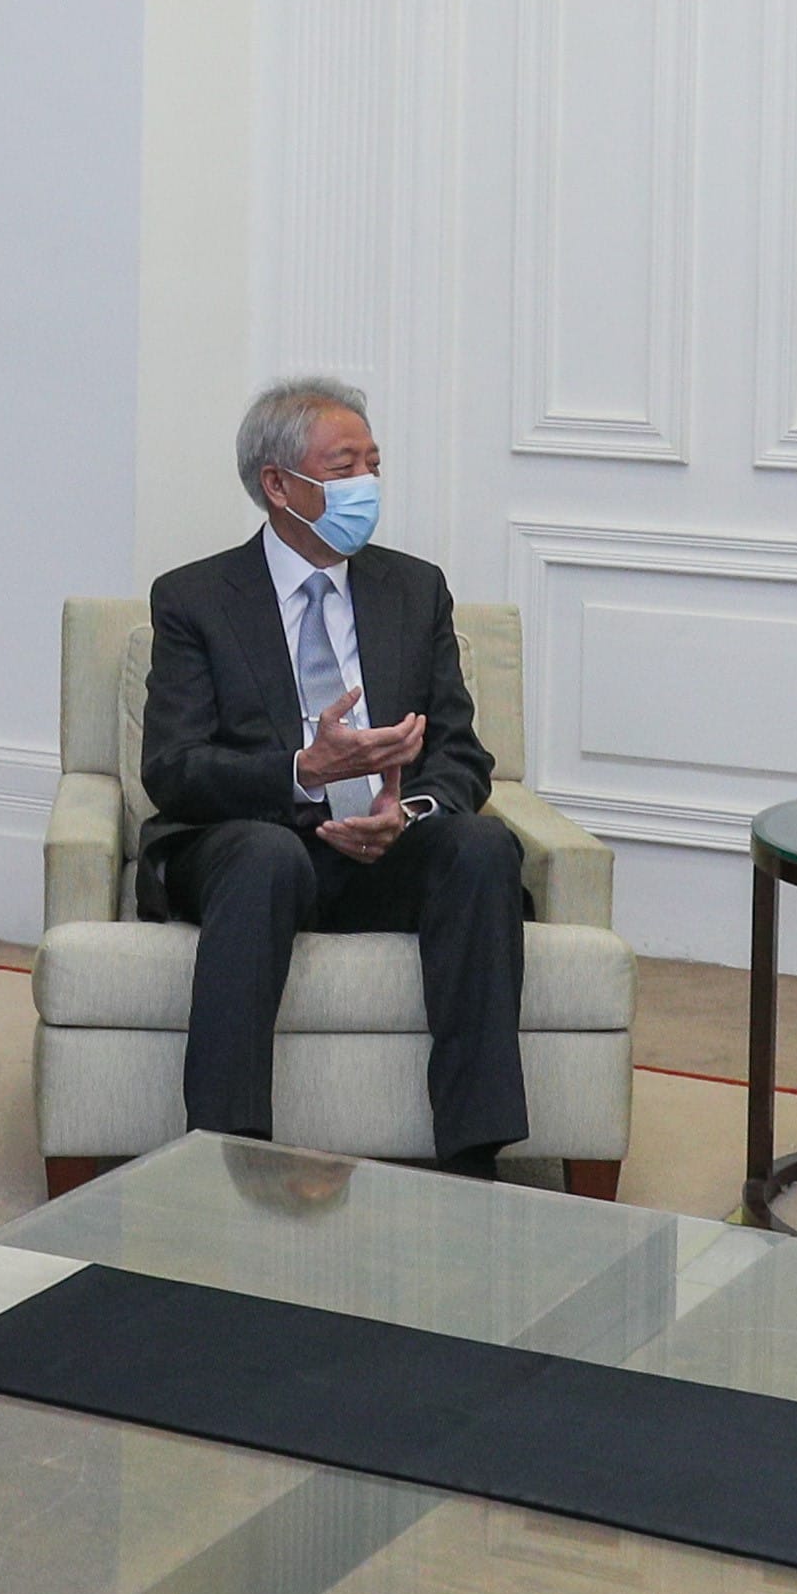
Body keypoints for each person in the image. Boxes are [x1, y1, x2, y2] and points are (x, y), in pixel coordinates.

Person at [138, 378, 527, 1175]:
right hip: (249, 850)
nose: (365, 486)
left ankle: (474, 1157)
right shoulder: (195, 598)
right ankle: (225, 1151)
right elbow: (172, 771)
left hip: (383, 848)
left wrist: (406, 811)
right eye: (343, 466)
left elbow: (461, 755)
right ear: (277, 485)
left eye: (372, 464)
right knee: (265, 857)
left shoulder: (414, 589)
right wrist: (302, 770)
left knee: (483, 847)